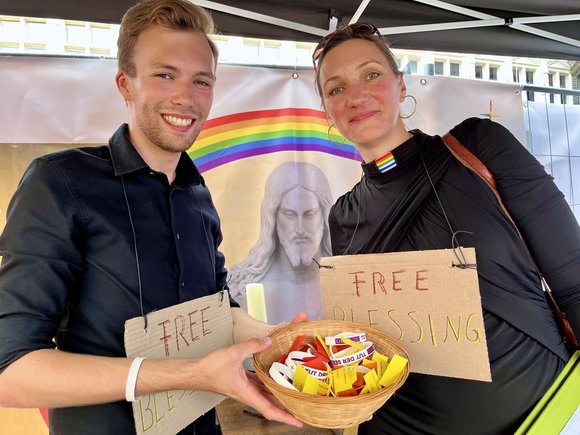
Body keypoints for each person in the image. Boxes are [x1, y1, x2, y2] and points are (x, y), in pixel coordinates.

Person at [0, 1, 305, 434]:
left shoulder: (197, 195)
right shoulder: (61, 182)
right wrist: (190, 373)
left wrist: (276, 339)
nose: (185, 96)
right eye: (165, 75)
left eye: (201, 81)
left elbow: (217, 311)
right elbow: (10, 371)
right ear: (126, 84)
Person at [312, 22, 580, 434]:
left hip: (544, 419)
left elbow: (574, 280)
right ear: (326, 109)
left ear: (401, 87)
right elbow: (369, 347)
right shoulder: (343, 216)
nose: (357, 96)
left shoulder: (478, 147)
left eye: (371, 75)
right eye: (336, 88)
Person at [228, 161, 333, 323]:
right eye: (289, 214)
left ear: (324, 216)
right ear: (273, 217)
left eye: (310, 214)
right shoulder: (241, 288)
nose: (300, 229)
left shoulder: (347, 280)